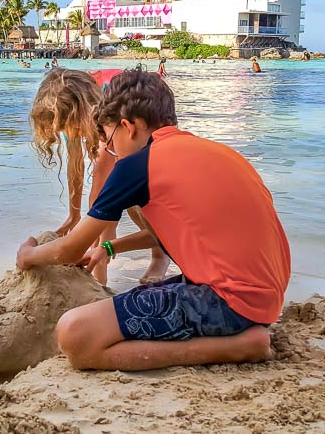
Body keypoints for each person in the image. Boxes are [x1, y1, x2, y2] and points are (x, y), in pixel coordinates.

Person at [17, 68, 289, 371]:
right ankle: (239, 336)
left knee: (75, 334)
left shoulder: (136, 166)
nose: (111, 151)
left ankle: (238, 347)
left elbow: (68, 251)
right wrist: (108, 249)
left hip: (230, 304)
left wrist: (28, 256)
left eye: (108, 141)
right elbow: (170, 235)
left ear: (127, 127)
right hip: (263, 298)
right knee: (131, 302)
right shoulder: (215, 151)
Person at [29, 68, 169, 286]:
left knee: (136, 201)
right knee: (113, 210)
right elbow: (74, 167)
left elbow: (100, 191)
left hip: (147, 117)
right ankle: (102, 274)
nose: (68, 133)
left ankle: (158, 256)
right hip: (126, 133)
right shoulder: (71, 114)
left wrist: (99, 234)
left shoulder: (107, 118)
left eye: (68, 128)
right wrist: (73, 216)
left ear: (79, 115)